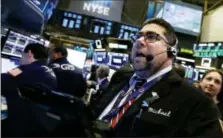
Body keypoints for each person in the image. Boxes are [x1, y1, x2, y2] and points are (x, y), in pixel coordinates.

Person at [90, 18, 223, 137]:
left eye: (151, 37)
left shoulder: (197, 103)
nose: (139, 41)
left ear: (171, 50)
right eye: (138, 36)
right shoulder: (120, 78)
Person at [2, 43, 57, 136]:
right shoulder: (49, 71)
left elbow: (4, 79)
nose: (20, 58)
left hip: (20, 125)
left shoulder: (27, 69)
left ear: (30, 53)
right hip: (40, 125)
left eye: (22, 54)